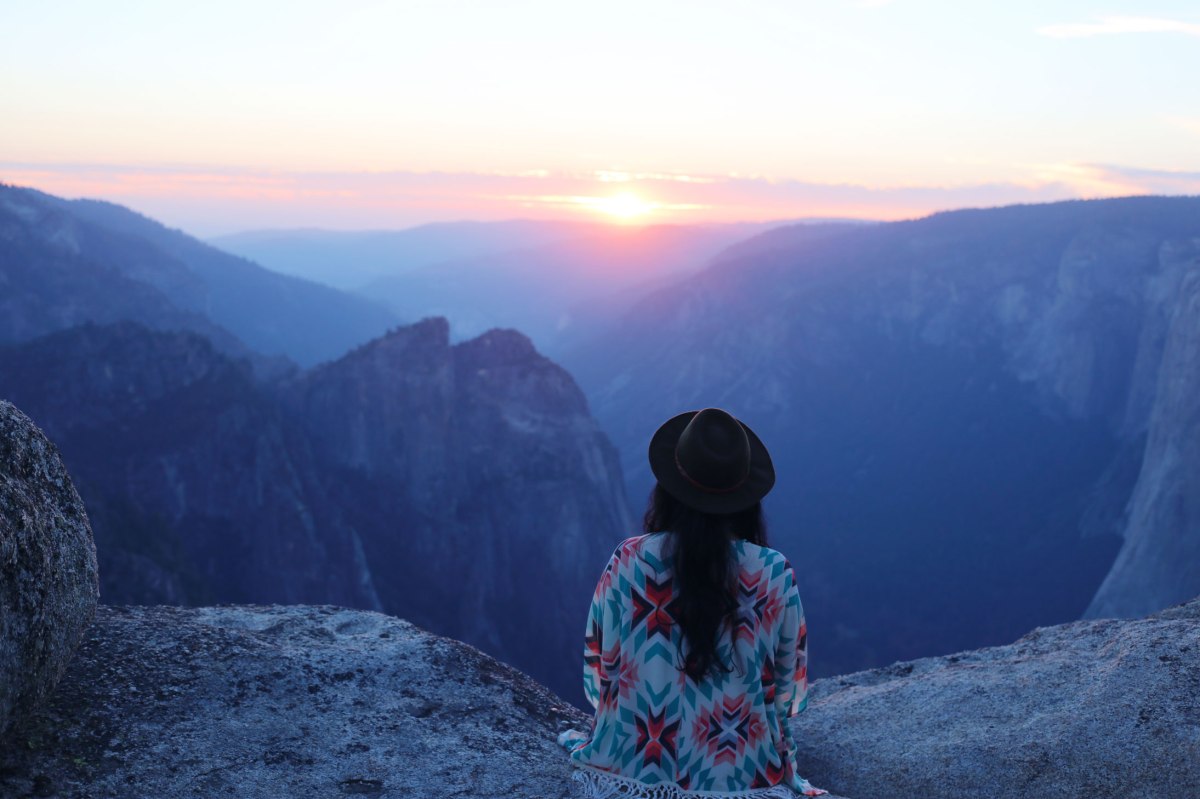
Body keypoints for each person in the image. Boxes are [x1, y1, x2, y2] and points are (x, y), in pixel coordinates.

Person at [558, 408, 827, 798]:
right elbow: (787, 690)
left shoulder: (628, 560)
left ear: (668, 488)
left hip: (630, 773)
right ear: (746, 496)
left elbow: (600, 669)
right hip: (744, 781)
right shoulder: (773, 572)